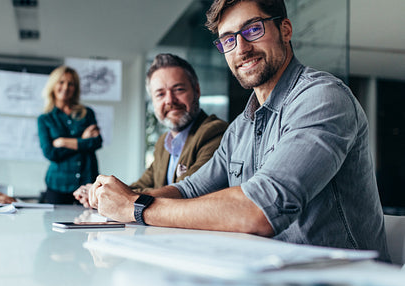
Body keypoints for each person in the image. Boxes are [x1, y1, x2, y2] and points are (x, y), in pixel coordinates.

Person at [87, 0, 389, 261]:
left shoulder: (321, 98)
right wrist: (122, 198)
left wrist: (137, 207)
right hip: (269, 275)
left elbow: (260, 209)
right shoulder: (241, 127)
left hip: (343, 283)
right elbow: (189, 189)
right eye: (228, 39)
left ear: (285, 29)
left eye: (253, 29)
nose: (241, 48)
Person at [73, 54, 228, 207]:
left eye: (179, 89)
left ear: (197, 91)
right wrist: (100, 192)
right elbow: (141, 185)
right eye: (160, 94)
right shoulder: (164, 143)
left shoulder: (214, 132)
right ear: (153, 101)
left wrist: (118, 197)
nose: (169, 100)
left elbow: (188, 191)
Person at [38, 66, 102, 204]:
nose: (66, 87)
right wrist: (83, 140)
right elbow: (50, 153)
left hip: (87, 182)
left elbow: (96, 142)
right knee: (53, 224)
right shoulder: (45, 119)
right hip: (58, 184)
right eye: (61, 82)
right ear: (53, 85)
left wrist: (63, 141)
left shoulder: (87, 113)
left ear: (76, 88)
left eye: (70, 83)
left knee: (89, 222)